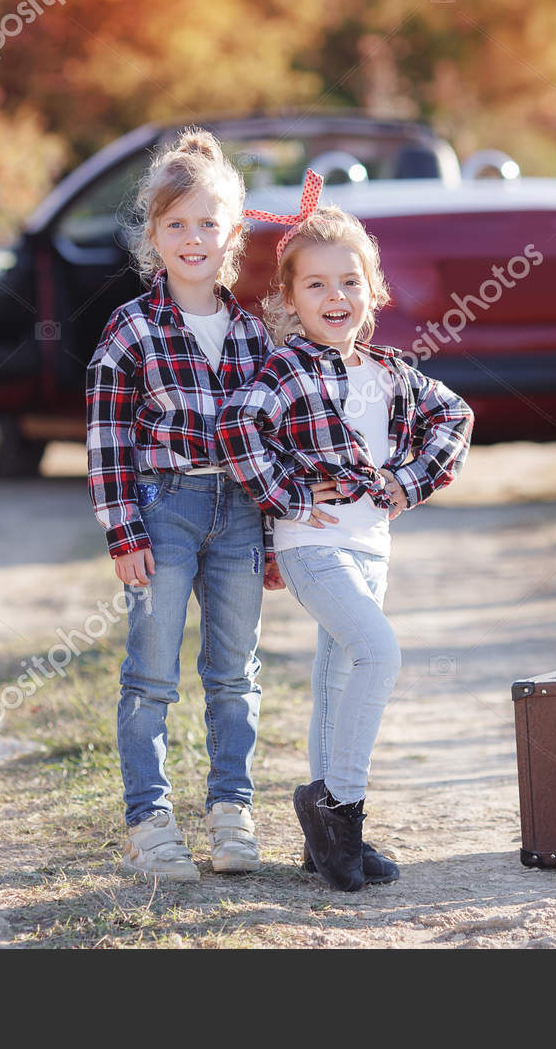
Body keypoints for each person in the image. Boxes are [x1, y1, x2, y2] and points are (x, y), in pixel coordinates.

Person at [218, 177, 473, 891]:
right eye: (317, 286)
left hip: (370, 544)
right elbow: (239, 426)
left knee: (336, 679)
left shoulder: (392, 372)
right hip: (312, 547)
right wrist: (290, 497)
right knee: (379, 653)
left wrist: (406, 481)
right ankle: (340, 805)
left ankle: (327, 843)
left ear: (373, 290)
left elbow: (455, 418)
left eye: (350, 282)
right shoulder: (289, 369)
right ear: (289, 299)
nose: (337, 297)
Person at [86, 128, 279, 881]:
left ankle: (231, 809)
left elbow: (275, 432)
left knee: (235, 671)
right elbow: (105, 437)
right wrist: (122, 529)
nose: (192, 238)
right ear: (153, 236)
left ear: (233, 232)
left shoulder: (255, 331)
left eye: (207, 223)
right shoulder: (132, 327)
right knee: (151, 674)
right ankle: (149, 820)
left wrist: (275, 527)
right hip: (164, 507)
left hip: (239, 511)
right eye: (176, 225)